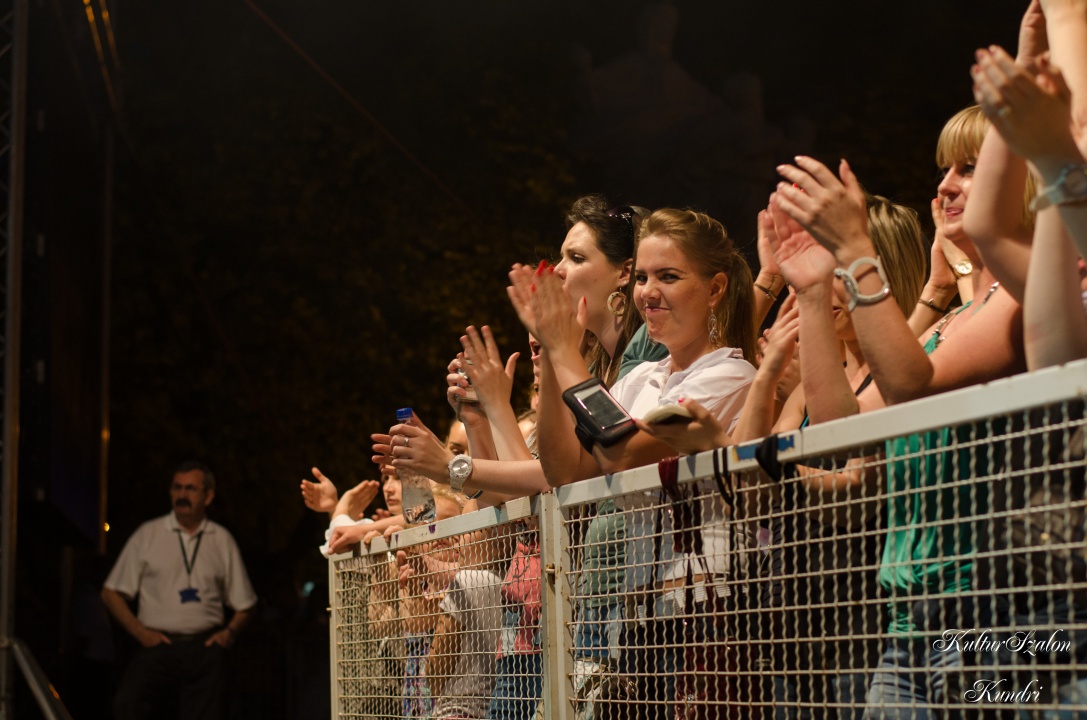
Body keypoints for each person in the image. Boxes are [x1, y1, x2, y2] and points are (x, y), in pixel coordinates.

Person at [101, 461, 257, 720]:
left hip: (205, 648)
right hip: (158, 645)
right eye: (177, 488)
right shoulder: (148, 534)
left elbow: (246, 603)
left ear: (208, 496)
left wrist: (229, 633)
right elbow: (110, 593)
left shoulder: (221, 539)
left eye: (191, 489)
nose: (182, 495)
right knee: (127, 702)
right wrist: (140, 632)